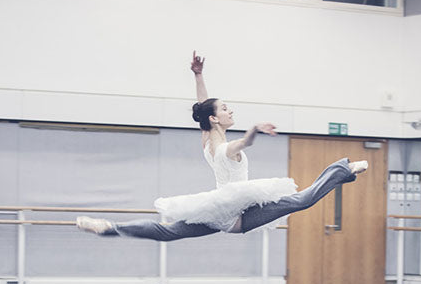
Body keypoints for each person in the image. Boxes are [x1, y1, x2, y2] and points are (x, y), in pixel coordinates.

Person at [76, 51, 366, 241]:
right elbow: (243, 142)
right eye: (225, 109)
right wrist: (254, 129)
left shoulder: (208, 142)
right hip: (237, 213)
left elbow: (204, 110)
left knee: (167, 232)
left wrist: (198, 76)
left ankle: (110, 228)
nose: (230, 111)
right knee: (302, 200)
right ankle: (344, 169)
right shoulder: (227, 149)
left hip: (218, 214)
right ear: (216, 119)